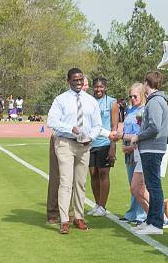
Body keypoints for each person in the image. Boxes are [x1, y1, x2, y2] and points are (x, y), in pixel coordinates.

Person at [47, 68, 116, 234]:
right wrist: (71, 128)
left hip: (84, 145)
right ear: (68, 81)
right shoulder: (61, 100)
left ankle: (79, 217)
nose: (78, 83)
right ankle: (64, 220)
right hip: (65, 142)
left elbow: (97, 125)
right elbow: (52, 121)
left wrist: (90, 137)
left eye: (80, 80)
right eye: (75, 80)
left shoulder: (90, 100)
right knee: (65, 181)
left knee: (80, 182)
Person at [127, 70, 168, 235]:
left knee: (154, 186)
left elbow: (155, 126)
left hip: (153, 147)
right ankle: (151, 220)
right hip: (151, 147)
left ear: (146, 84)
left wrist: (138, 136)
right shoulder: (156, 101)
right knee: (152, 186)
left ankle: (156, 223)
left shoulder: (155, 101)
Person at [88, 78, 119, 217]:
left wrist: (113, 146)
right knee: (93, 174)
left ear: (105, 88)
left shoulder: (112, 102)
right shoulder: (88, 101)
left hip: (105, 143)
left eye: (101, 87)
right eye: (96, 87)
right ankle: (97, 204)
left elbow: (114, 126)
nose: (98, 90)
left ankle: (103, 206)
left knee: (103, 174)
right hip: (90, 143)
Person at [119, 83, 148, 225]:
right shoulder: (130, 111)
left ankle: (141, 215)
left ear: (142, 94)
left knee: (140, 185)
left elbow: (141, 134)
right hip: (129, 152)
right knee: (132, 183)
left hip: (139, 151)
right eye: (130, 96)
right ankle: (132, 213)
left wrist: (130, 146)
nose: (132, 98)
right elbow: (126, 131)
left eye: (135, 96)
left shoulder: (145, 111)